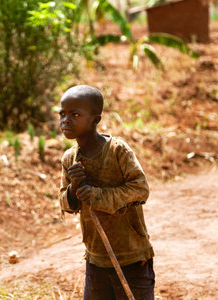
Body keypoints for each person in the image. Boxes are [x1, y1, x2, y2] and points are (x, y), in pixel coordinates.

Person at [58, 85, 155, 300]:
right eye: (62, 114)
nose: (66, 120)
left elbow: (140, 190)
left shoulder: (117, 150)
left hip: (131, 257)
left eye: (75, 115)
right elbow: (65, 203)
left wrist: (95, 195)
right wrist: (74, 189)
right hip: (96, 259)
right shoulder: (69, 158)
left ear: (95, 120)